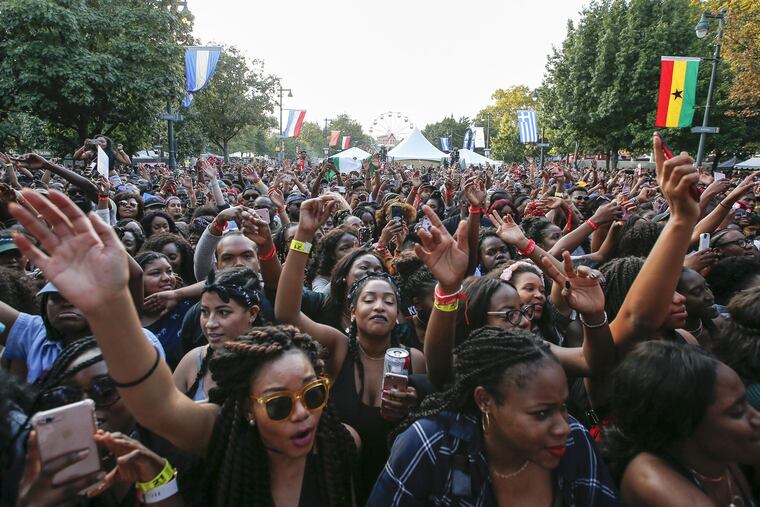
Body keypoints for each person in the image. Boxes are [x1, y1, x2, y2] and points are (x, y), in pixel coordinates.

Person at [9, 190, 360, 506]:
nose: (301, 414)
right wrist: (110, 306)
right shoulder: (224, 433)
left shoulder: (343, 444)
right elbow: (156, 404)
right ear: (248, 410)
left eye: (314, 395)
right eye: (279, 403)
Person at [275, 195, 425, 502]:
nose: (379, 306)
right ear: (353, 312)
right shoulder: (338, 347)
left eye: (388, 301)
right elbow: (288, 313)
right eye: (369, 300)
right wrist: (303, 236)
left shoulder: (415, 360)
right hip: (340, 488)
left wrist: (413, 407)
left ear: (398, 316)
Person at [368, 327, 619, 506]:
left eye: (563, 407)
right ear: (485, 401)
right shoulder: (432, 445)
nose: (562, 427)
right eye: (541, 413)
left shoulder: (575, 441)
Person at [602, 341, 759, 507]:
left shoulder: (721, 455)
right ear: (685, 425)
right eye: (737, 413)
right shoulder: (649, 479)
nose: (757, 418)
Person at [173, 268, 261, 401]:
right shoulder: (192, 361)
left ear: (252, 313)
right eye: (205, 312)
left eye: (223, 312)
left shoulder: (271, 364)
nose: (210, 324)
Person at [135, 252, 194, 369]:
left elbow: (222, 282)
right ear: (136, 281)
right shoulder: (128, 321)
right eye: (155, 273)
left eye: (169, 271)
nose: (167, 278)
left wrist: (177, 295)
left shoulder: (186, 304)